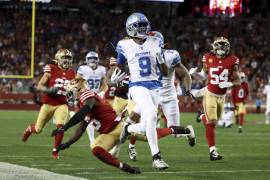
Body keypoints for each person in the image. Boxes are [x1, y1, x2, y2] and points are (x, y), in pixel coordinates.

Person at [51, 79, 191, 173]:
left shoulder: (86, 95)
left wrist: (65, 126)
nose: (69, 96)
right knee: (96, 149)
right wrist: (67, 144)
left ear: (78, 88)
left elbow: (84, 111)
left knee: (152, 135)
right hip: (107, 134)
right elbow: (81, 128)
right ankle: (124, 167)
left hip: (120, 127)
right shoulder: (82, 102)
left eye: (71, 92)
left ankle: (182, 130)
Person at [113, 12, 169, 169]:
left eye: (145, 26)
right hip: (137, 85)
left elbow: (165, 73)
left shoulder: (156, 40)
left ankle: (127, 128)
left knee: (146, 126)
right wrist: (114, 76)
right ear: (130, 28)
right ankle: (156, 157)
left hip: (155, 86)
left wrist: (160, 58)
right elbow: (118, 66)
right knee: (151, 113)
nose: (143, 29)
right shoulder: (124, 45)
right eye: (140, 26)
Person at [189, 37, 240, 161]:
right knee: (211, 123)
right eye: (219, 45)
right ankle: (212, 151)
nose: (221, 48)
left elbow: (238, 80)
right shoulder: (208, 57)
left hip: (221, 96)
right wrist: (194, 74)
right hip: (210, 93)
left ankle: (201, 116)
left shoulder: (233, 60)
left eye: (224, 45)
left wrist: (230, 84)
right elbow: (203, 76)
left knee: (213, 123)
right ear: (214, 46)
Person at [21, 48, 75, 159]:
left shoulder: (72, 72)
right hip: (48, 103)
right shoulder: (51, 68)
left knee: (61, 126)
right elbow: (39, 86)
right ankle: (29, 129)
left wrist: (72, 95)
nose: (66, 60)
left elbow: (73, 90)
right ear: (58, 58)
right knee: (38, 129)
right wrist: (48, 90)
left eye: (68, 58)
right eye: (64, 58)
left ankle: (55, 150)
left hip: (62, 104)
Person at [76, 51, 107, 146]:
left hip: (97, 96)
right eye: (90, 59)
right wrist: (83, 89)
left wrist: (102, 92)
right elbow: (76, 81)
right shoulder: (83, 69)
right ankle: (92, 140)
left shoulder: (102, 69)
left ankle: (103, 137)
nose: (92, 60)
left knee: (101, 117)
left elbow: (105, 84)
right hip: (87, 96)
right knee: (88, 117)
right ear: (86, 60)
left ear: (98, 60)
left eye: (94, 58)